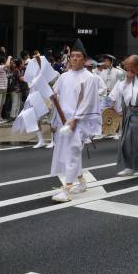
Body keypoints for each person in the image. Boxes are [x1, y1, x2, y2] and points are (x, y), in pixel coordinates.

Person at [49, 45, 100, 202]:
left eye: (78, 56)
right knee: (70, 151)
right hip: (64, 120)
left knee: (72, 151)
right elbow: (54, 93)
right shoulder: (64, 76)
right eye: (72, 56)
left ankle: (66, 189)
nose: (74, 58)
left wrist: (75, 120)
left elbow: (88, 102)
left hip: (79, 120)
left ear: (84, 59)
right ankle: (82, 182)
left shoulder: (90, 78)